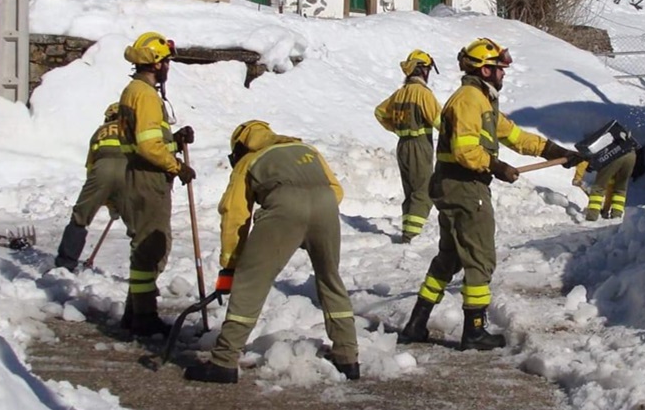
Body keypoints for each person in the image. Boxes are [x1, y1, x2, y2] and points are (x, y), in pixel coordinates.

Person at [397, 38, 582, 351]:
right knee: (480, 258)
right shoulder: (470, 99)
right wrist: (496, 166)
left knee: (450, 257)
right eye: (498, 69)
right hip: (465, 187)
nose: (503, 74)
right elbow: (465, 150)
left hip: (455, 186)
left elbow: (513, 134)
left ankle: (416, 324)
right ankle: (475, 331)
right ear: (484, 69)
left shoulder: (482, 99)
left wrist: (555, 150)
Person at [185, 120, 359, 384]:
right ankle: (348, 357)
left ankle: (223, 361)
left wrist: (231, 264)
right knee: (330, 279)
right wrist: (310, 222)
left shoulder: (249, 161)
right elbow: (336, 189)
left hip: (284, 207)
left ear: (240, 148)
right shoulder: (305, 149)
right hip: (326, 207)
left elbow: (235, 214)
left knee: (251, 282)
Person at [118, 31, 195, 336]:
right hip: (148, 179)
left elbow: (149, 140)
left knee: (145, 247)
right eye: (166, 62)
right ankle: (144, 316)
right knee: (151, 247)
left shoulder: (133, 90)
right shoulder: (146, 95)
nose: (168, 68)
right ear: (157, 63)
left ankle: (134, 311)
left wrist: (174, 141)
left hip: (139, 175)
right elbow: (149, 148)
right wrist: (177, 166)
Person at [374, 50, 442, 243]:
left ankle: (408, 230)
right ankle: (411, 236)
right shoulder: (422, 94)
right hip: (419, 146)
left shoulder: (400, 93)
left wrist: (396, 128)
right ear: (422, 70)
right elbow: (440, 122)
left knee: (410, 192)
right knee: (423, 192)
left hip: (403, 145)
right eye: (428, 69)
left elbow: (380, 113)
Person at [54, 103, 129, 271]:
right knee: (137, 226)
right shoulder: (134, 130)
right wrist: (118, 204)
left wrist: (102, 198)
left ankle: (65, 265)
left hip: (100, 172)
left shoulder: (100, 132)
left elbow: (90, 166)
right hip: (128, 173)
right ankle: (143, 274)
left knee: (80, 219)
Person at [576, 146, 645, 222]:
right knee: (620, 189)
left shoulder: (599, 142)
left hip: (614, 153)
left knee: (598, 187)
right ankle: (617, 216)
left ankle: (591, 217)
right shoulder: (619, 135)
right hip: (631, 154)